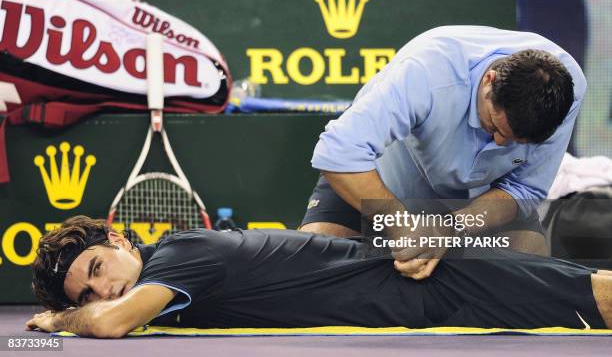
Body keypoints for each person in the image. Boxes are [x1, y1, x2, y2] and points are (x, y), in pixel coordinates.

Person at [299, 26, 585, 280]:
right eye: (494, 127)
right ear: (489, 80)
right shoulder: (428, 71)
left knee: (530, 267)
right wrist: (401, 225)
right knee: (310, 264)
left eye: (514, 141)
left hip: (474, 201)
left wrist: (451, 228)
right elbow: (339, 151)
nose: (499, 144)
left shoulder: (566, 94)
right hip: (383, 181)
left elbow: (523, 188)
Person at [26, 216, 612, 338]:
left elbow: (112, 324)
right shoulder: (169, 277)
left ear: (121, 239)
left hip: (441, 279)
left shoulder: (179, 258)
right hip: (424, 301)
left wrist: (63, 316)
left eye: (97, 270)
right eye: (87, 292)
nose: (102, 291)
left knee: (594, 298)